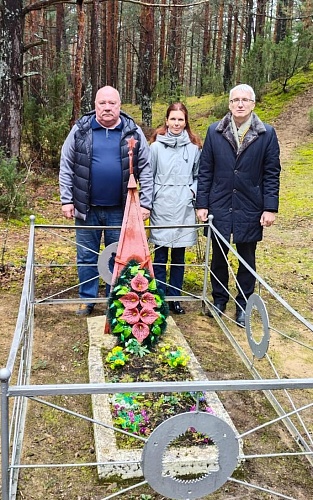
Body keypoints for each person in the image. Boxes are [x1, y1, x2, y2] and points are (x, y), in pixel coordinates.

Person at [59, 86, 152, 316]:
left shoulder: (133, 131)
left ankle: (118, 300)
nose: (108, 107)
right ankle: (87, 299)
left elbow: (147, 169)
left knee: (118, 256)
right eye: (103, 103)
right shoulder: (80, 130)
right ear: (95, 105)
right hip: (86, 208)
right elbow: (66, 165)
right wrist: (66, 200)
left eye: (112, 103)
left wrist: (145, 203)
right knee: (86, 255)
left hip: (121, 210)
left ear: (119, 105)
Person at [196, 84, 281, 327]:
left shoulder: (267, 134)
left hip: (250, 205)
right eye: (235, 100)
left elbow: (271, 173)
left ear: (253, 104)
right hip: (219, 204)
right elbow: (205, 171)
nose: (240, 104)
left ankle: (243, 304)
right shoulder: (215, 131)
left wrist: (270, 207)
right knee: (219, 256)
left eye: (245, 100)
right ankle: (219, 299)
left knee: (246, 258)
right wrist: (202, 203)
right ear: (229, 104)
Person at [149, 102, 202, 314]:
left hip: (183, 206)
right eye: (173, 119)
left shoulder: (194, 147)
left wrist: (192, 192)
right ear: (166, 120)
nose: (177, 123)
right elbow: (148, 176)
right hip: (161, 205)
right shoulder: (155, 147)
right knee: (160, 255)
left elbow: (200, 176)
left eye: (180, 119)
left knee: (179, 257)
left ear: (186, 121)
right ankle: (160, 297)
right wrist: (152, 199)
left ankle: (175, 297)